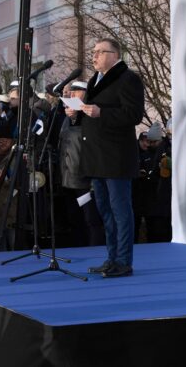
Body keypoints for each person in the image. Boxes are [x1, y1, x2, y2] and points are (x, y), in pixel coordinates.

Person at [70, 38, 144, 277]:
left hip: (116, 157)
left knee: (120, 210)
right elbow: (93, 116)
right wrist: (76, 114)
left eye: (100, 52)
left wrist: (102, 111)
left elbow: (133, 114)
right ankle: (112, 258)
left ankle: (124, 261)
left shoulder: (128, 78)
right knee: (105, 211)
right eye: (93, 52)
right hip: (97, 157)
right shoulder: (95, 79)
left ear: (115, 54)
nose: (94, 56)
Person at [59, 81, 104, 247]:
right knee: (75, 219)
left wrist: (76, 117)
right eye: (71, 92)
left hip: (86, 179)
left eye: (77, 92)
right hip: (69, 178)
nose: (72, 95)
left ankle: (94, 250)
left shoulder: (92, 115)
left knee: (91, 219)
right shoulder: (68, 117)